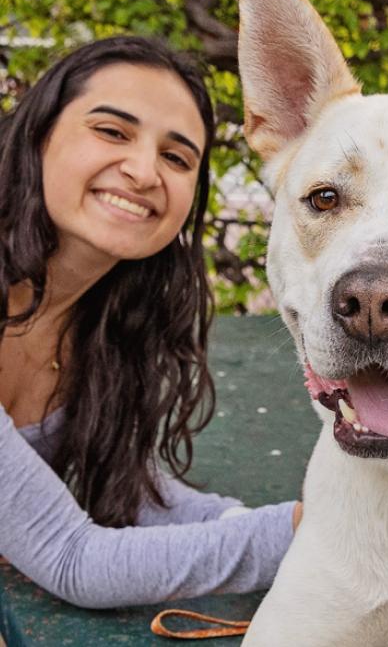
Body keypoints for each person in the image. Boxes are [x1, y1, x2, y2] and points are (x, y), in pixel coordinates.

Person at [0, 36, 301, 609]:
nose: (143, 172)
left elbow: (137, 492)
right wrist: (320, 535)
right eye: (112, 132)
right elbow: (74, 559)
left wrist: (273, 523)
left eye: (176, 157)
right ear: (38, 136)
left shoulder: (100, 327)